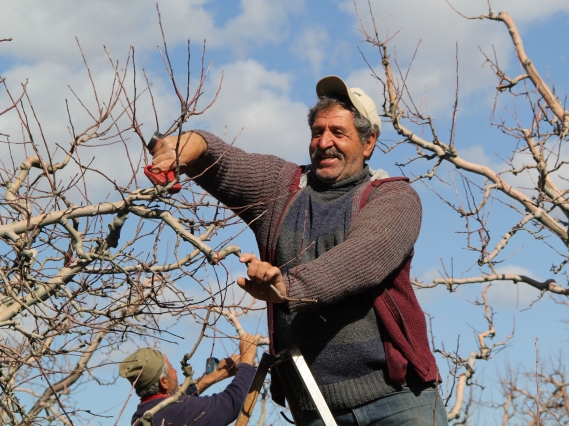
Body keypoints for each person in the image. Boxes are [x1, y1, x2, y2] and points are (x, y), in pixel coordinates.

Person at [151, 76, 447, 424]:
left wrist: (288, 287)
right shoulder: (282, 188)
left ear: (368, 144)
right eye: (317, 132)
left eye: (338, 132)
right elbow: (222, 160)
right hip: (314, 407)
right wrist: (184, 146)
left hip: (396, 399)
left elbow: (366, 257)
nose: (324, 142)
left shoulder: (393, 197)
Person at [119, 333, 260, 426]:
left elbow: (180, 394)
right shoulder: (178, 410)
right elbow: (230, 404)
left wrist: (217, 374)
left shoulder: (140, 417)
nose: (175, 371)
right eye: (171, 367)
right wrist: (246, 363)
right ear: (163, 382)